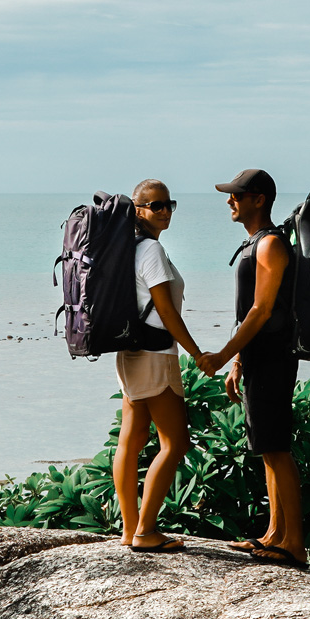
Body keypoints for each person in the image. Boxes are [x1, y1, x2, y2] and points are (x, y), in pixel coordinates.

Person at [199, 169, 308, 569]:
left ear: (258, 200)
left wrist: (222, 355)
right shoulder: (255, 244)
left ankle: (294, 544)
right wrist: (239, 363)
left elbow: (262, 311)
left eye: (237, 195)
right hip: (260, 357)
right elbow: (251, 312)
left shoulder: (271, 246)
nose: (230, 201)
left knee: (277, 448)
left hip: (276, 356)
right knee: (266, 447)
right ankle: (273, 535)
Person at [112, 178, 200, 553]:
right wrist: (198, 354)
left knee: (131, 441)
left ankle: (130, 530)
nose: (164, 211)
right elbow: (165, 310)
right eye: (155, 205)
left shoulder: (127, 249)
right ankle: (146, 530)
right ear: (137, 209)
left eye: (169, 204)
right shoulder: (150, 251)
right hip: (155, 356)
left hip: (131, 354)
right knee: (176, 442)